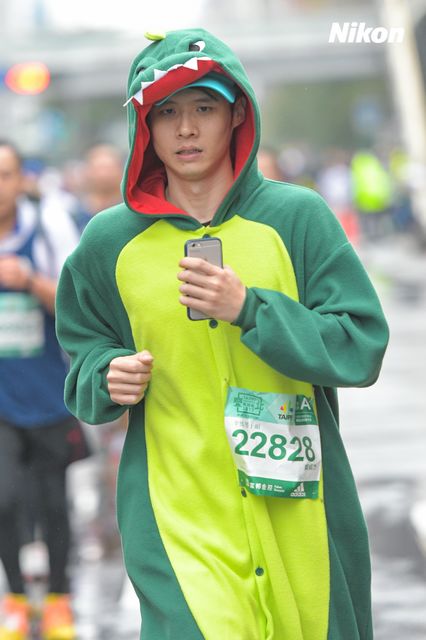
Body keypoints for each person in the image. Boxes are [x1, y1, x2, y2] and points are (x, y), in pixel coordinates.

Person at [56, 29, 389, 640]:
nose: (186, 129)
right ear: (144, 126)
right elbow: (83, 356)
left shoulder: (297, 218)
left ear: (237, 114)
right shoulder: (109, 242)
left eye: (204, 108)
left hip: (300, 508)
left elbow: (360, 345)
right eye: (167, 112)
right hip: (179, 514)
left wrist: (252, 310)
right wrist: (106, 374)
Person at [0, 141, 81, 640]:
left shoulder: (48, 228)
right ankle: (14, 597)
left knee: (53, 503)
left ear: (20, 180)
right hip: (1, 402)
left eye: (4, 175)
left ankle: (57, 599)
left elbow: (77, 303)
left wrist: (29, 281)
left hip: (49, 393)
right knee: (4, 499)